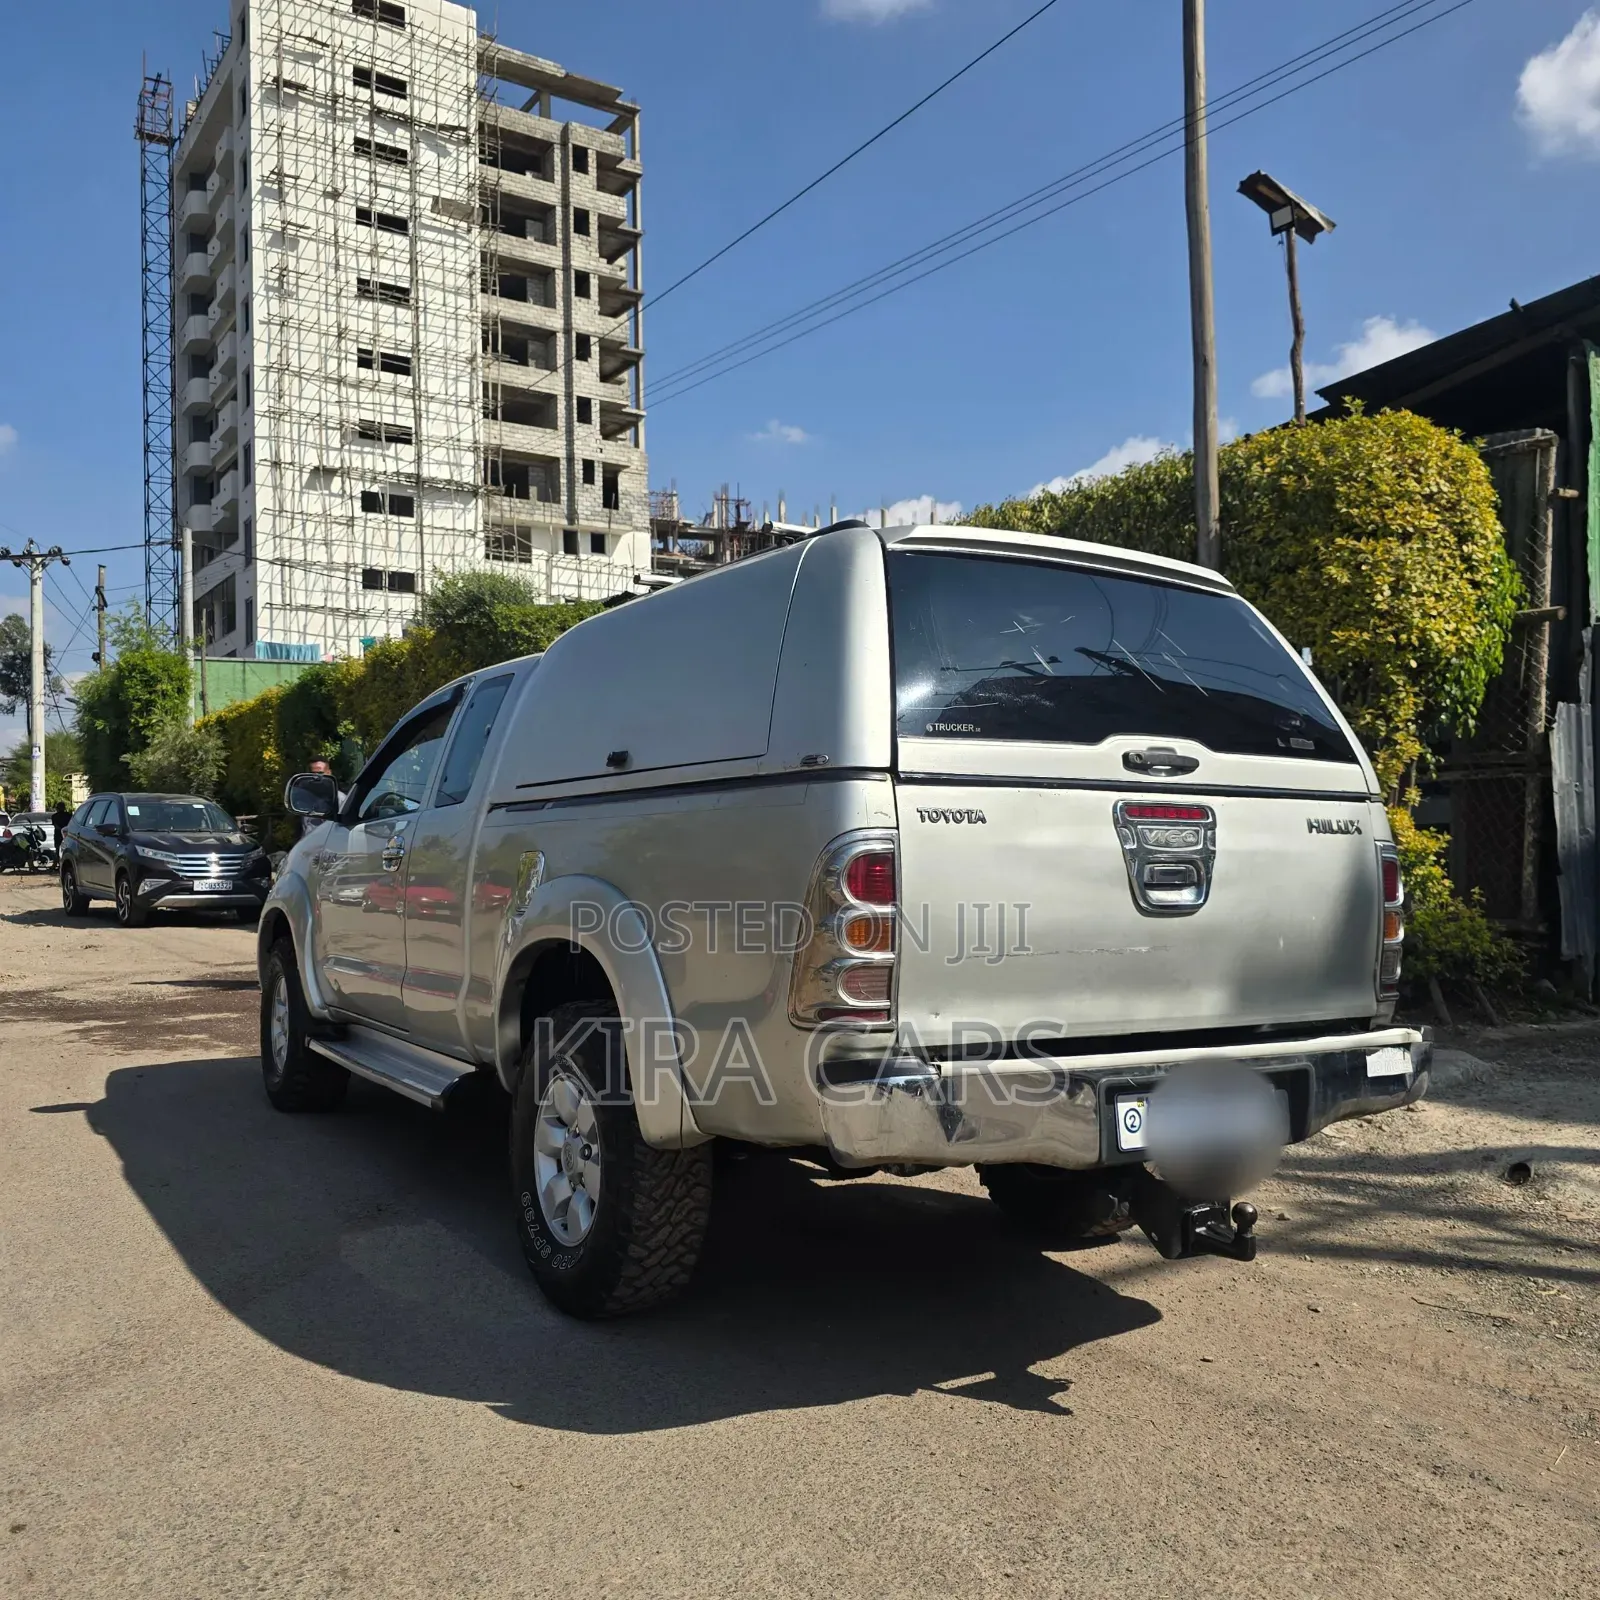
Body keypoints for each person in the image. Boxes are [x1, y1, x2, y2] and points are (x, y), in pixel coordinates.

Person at [302, 759, 348, 838]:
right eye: (313, 773)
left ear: (329, 773)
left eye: (320, 773)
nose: (316, 777)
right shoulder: (305, 799)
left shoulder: (339, 799)